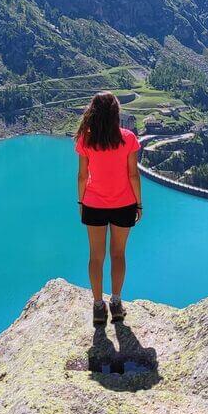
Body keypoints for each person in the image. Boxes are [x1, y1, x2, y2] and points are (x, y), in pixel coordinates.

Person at [75, 91, 142, 326]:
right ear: (116, 113)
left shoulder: (86, 139)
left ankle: (97, 306)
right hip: (124, 204)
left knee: (95, 256)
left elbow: (82, 176)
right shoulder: (128, 138)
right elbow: (133, 174)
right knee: (118, 254)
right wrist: (139, 203)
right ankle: (116, 302)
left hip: (94, 204)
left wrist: (81, 202)